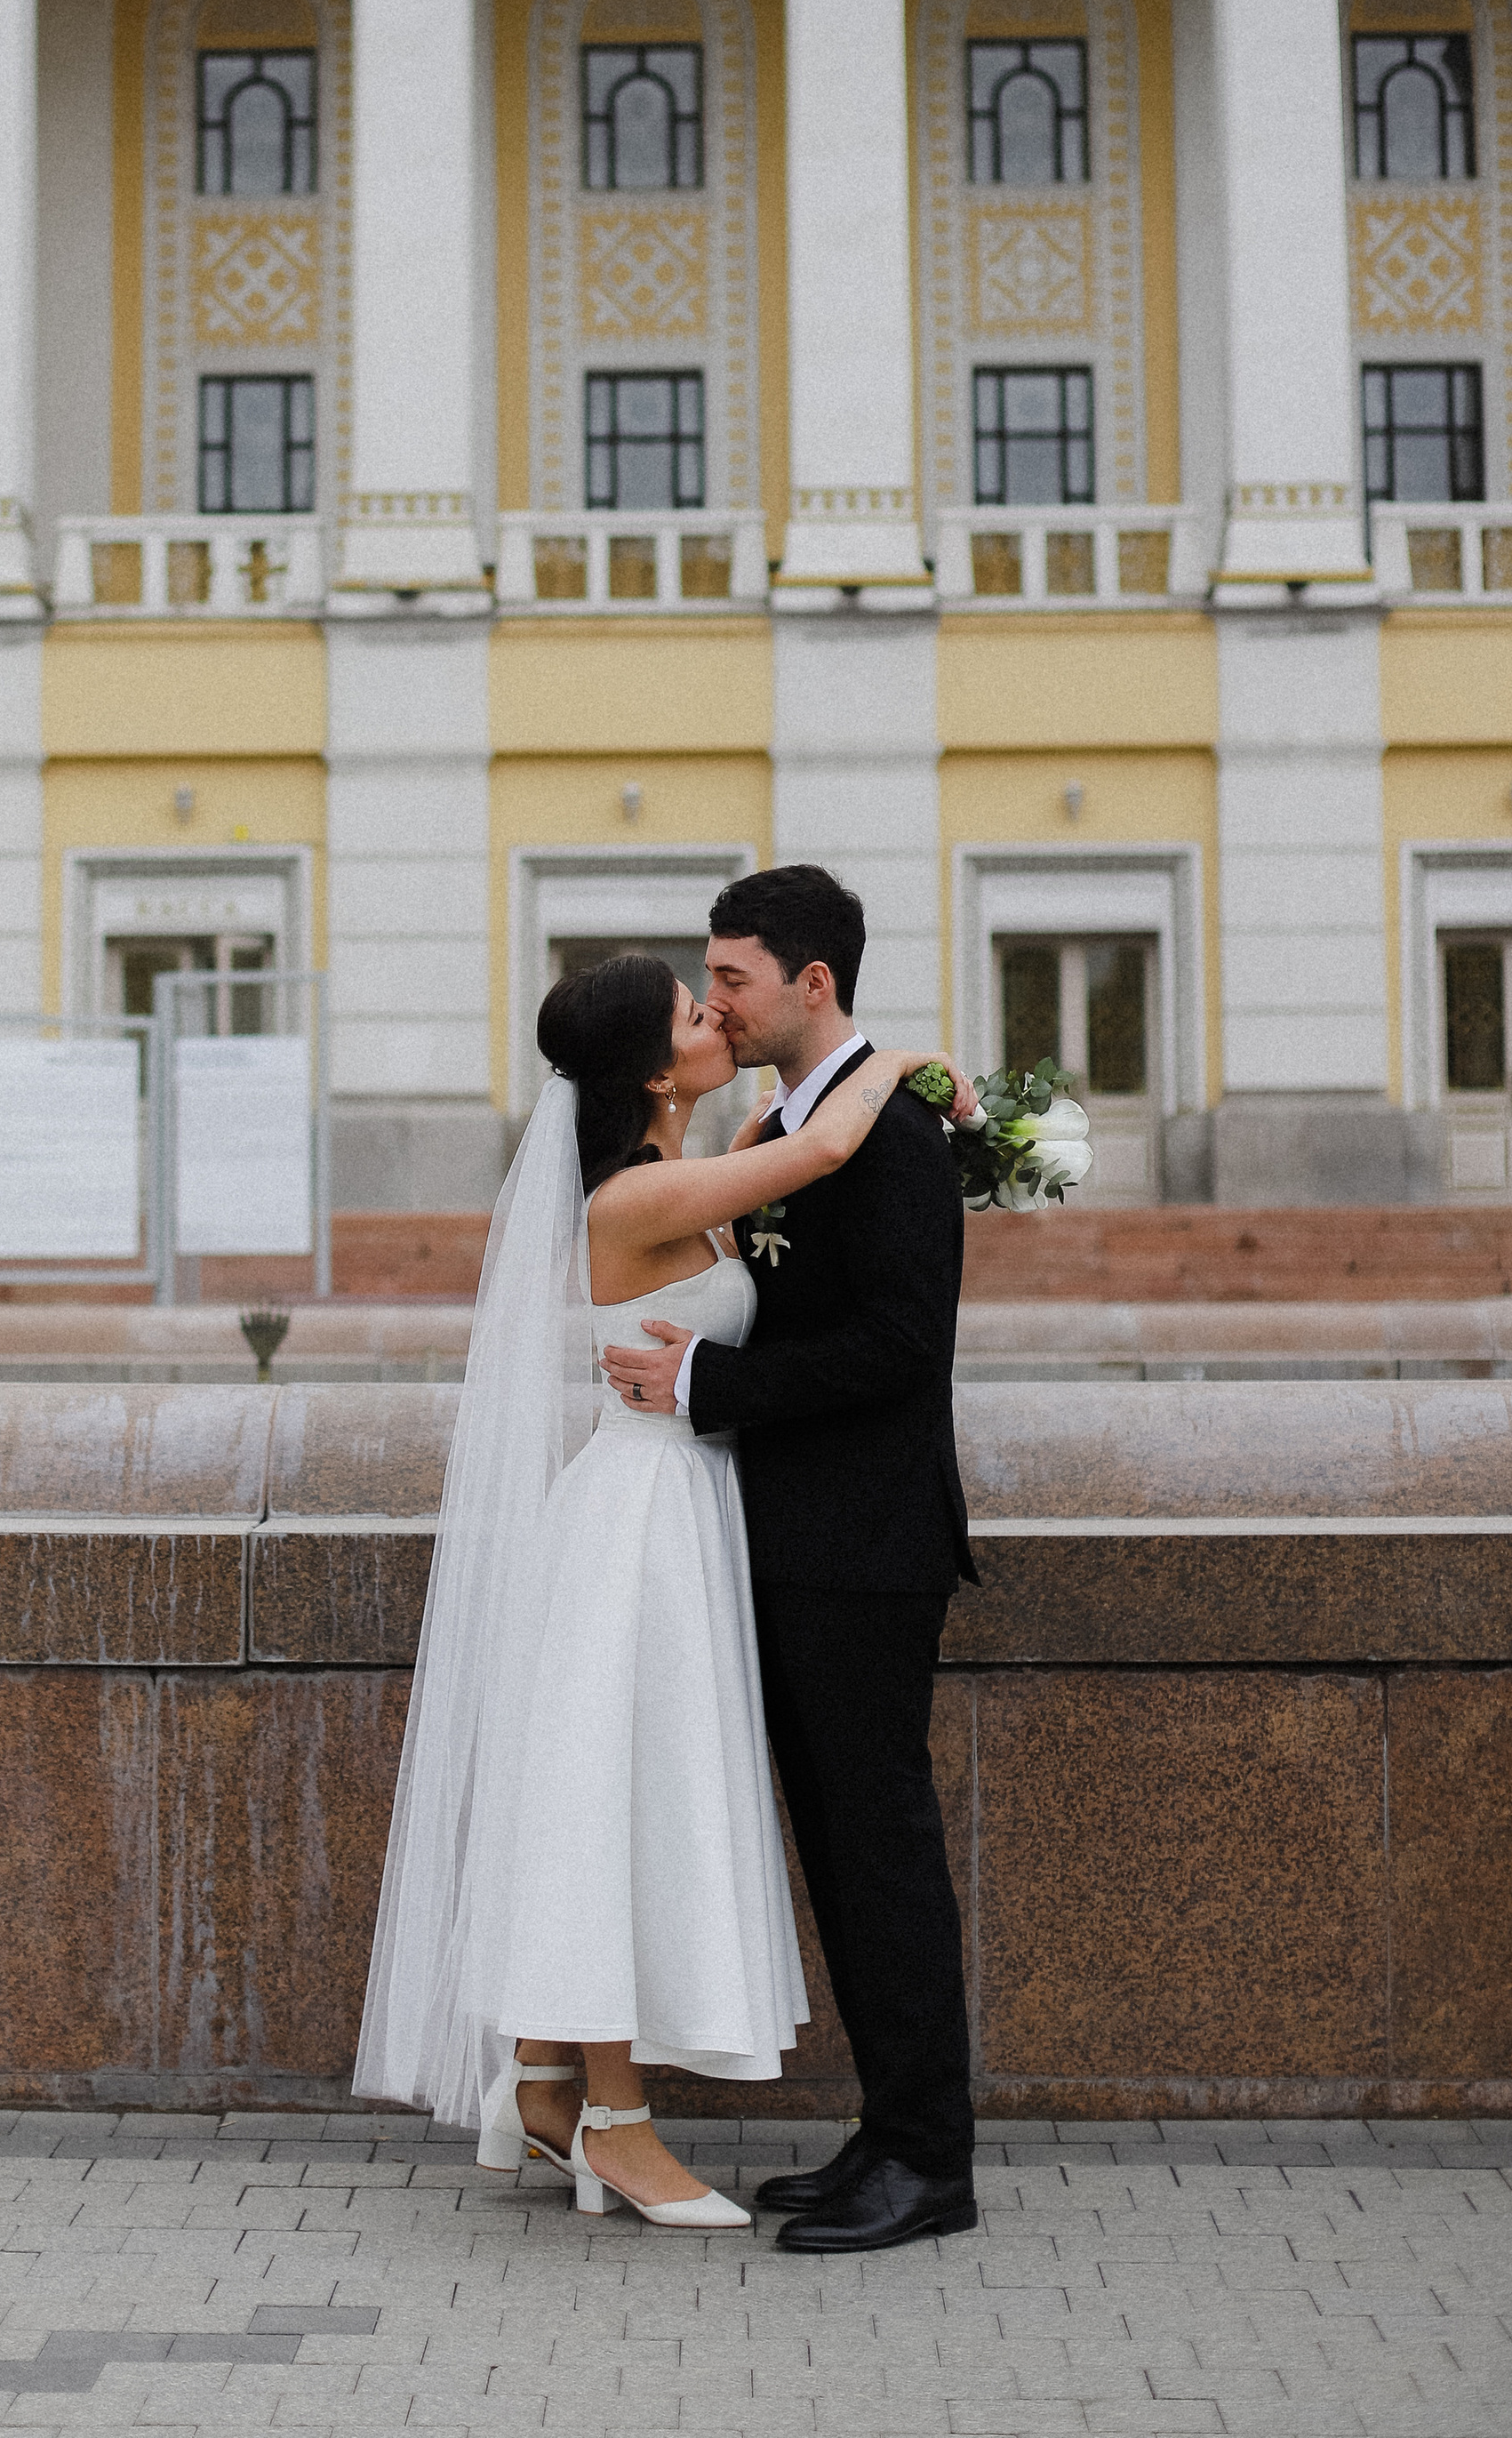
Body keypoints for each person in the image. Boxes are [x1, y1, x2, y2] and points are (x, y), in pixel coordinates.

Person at [353, 944, 970, 2233]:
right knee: (614, 1803)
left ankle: (542, 2075)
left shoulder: (673, 1174)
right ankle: (615, 2127)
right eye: (699, 1011)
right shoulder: (633, 1198)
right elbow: (815, 1151)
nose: (718, 1017)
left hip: (673, 1508)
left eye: (723, 992)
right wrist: (901, 1063)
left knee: (611, 1793)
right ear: (651, 1065)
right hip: (641, 1517)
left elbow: (770, 1170)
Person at [600, 863, 981, 2253]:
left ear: (813, 982)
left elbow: (898, 1348)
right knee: (842, 1850)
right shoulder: (807, 1117)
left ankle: (933, 2162)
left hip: (867, 1547)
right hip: (802, 1541)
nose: (720, 1002)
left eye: (737, 979)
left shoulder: (887, 1136)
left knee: (880, 1854)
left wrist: (709, 1384)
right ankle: (891, 2132)